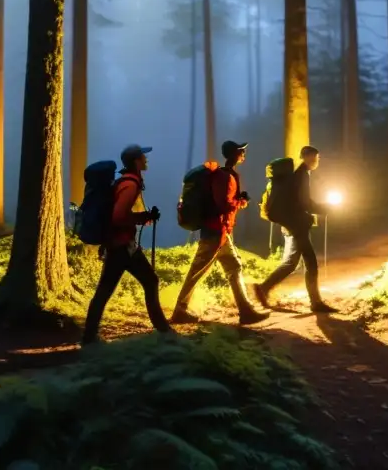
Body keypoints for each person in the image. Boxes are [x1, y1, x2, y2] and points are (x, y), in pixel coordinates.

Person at [171, 140, 271, 325]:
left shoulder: (225, 175)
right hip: (216, 231)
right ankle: (179, 311)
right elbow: (223, 204)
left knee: (234, 267)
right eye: (241, 151)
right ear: (234, 154)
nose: (244, 154)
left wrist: (236, 200)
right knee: (197, 271)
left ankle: (246, 310)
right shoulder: (226, 177)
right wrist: (240, 202)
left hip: (220, 231)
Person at [82, 144, 173, 346]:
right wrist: (140, 218)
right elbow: (119, 216)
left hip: (119, 244)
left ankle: (89, 337)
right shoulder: (130, 185)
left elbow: (119, 215)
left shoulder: (125, 182)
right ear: (135, 161)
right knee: (148, 281)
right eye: (143, 157)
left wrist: (143, 217)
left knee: (108, 290)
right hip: (122, 246)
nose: (146, 160)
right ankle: (164, 331)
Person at [252, 145, 338, 313]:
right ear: (306, 158)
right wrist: (324, 208)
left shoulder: (296, 176)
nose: (317, 161)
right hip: (297, 225)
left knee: (290, 263)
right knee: (310, 263)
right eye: (315, 158)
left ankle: (263, 288)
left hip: (290, 224)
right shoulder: (301, 175)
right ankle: (316, 303)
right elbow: (305, 203)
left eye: (317, 158)